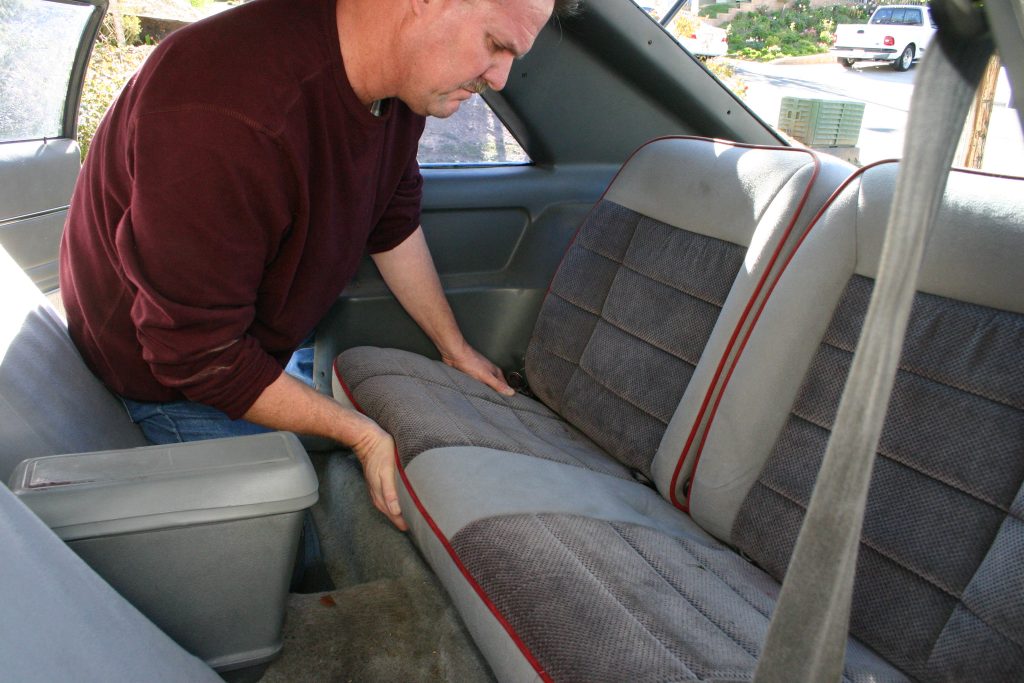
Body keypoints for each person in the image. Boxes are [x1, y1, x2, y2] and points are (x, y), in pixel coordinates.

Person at [59, 0, 579, 531]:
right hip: (165, 379)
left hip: (246, 347)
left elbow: (392, 223)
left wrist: (456, 348)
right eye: (495, 44)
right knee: (294, 549)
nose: (500, 76)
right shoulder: (226, 112)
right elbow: (197, 356)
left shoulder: (398, 89)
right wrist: (361, 433)